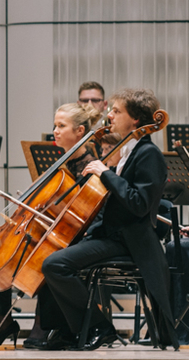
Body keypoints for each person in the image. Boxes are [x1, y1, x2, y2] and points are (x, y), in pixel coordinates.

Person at [41, 89, 177, 350]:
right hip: (111, 235)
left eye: (116, 111)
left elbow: (139, 204)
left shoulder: (148, 153)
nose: (109, 115)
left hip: (130, 241)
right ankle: (66, 332)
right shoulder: (127, 151)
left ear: (135, 119)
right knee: (50, 256)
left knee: (55, 265)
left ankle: (99, 328)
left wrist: (106, 173)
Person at [21, 102, 102, 349]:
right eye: (55, 125)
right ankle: (53, 326)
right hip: (68, 233)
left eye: (61, 126)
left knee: (50, 257)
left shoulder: (90, 168)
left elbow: (94, 214)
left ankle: (57, 327)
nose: (54, 131)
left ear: (80, 131)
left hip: (87, 236)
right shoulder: (66, 164)